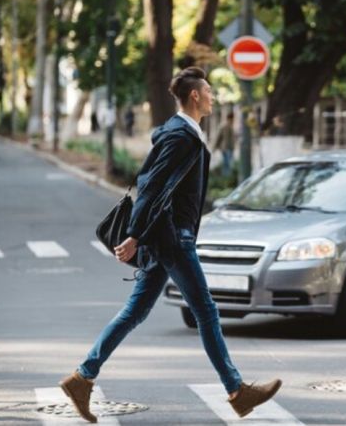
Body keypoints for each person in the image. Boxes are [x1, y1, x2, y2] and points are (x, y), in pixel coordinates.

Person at [59, 67, 282, 423]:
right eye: (208, 90)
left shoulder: (185, 133)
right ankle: (237, 391)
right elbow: (152, 186)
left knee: (135, 311)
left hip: (167, 237)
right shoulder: (180, 136)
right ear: (195, 95)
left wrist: (142, 234)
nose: (212, 96)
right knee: (206, 312)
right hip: (173, 238)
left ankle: (83, 377)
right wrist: (134, 235)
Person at [214, 112, 235, 177]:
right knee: (227, 164)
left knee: (228, 163)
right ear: (229, 118)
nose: (233, 121)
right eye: (232, 119)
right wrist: (215, 147)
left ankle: (226, 177)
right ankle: (226, 178)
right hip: (225, 148)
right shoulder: (224, 126)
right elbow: (219, 137)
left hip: (230, 148)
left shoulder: (231, 126)